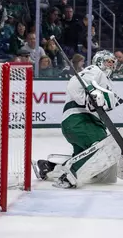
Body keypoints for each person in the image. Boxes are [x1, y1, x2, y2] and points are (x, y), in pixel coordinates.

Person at [33, 50, 123, 189]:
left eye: (113, 62)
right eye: (108, 61)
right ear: (99, 61)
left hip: (89, 123)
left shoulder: (106, 82)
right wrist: (87, 98)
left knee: (97, 167)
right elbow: (74, 84)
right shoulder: (95, 71)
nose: (111, 65)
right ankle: (69, 176)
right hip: (81, 120)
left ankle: (50, 168)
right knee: (100, 150)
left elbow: (100, 104)